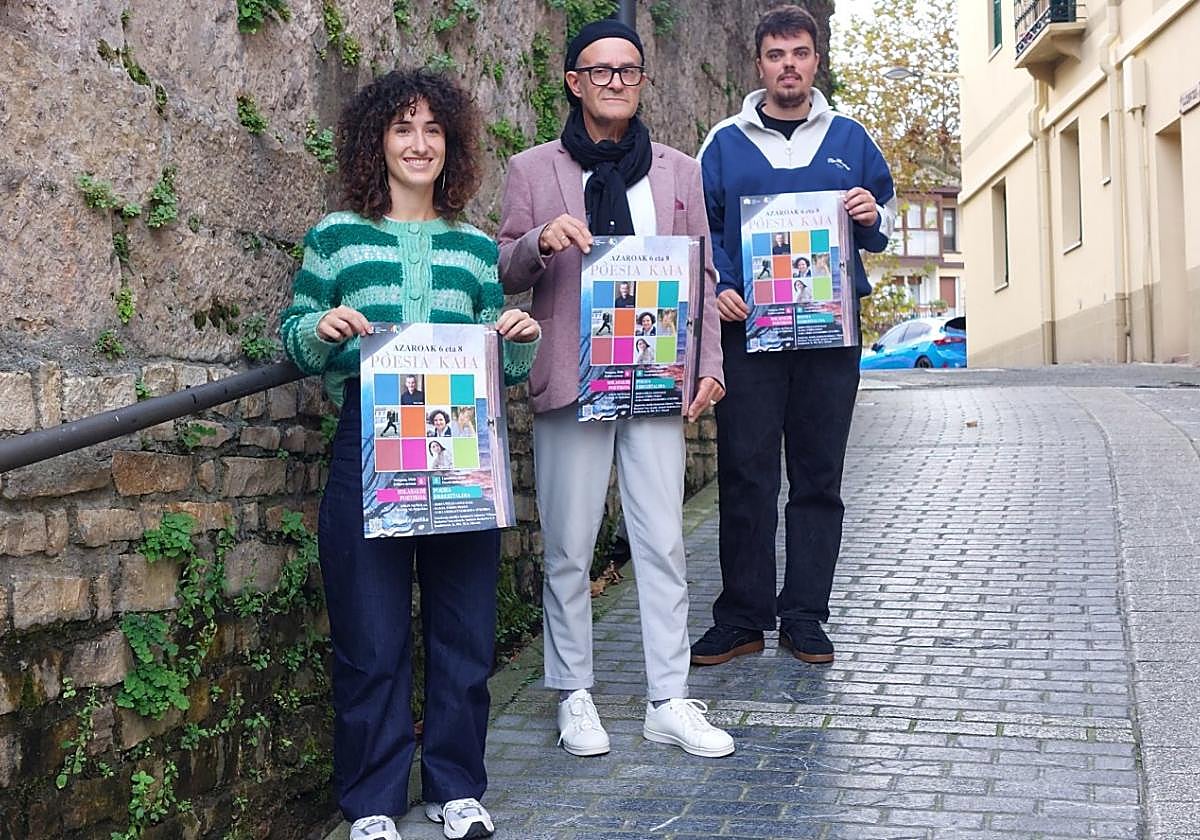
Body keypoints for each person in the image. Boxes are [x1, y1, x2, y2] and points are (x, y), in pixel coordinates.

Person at [279, 68, 540, 840]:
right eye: (402, 128)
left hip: (463, 445)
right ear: (377, 142)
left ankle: (457, 788)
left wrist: (517, 341)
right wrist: (318, 330)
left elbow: (502, 355)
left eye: (433, 130)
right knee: (371, 633)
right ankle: (371, 802)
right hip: (370, 442)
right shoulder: (335, 235)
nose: (419, 143)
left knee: (463, 629)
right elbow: (295, 331)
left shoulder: (470, 245)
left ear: (450, 144)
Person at [498, 19, 732, 760]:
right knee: (569, 544)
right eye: (599, 72)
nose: (615, 83)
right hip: (571, 377)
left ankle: (669, 697)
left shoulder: (679, 171)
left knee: (662, 541)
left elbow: (703, 276)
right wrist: (540, 243)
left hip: (657, 376)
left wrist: (711, 363)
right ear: (573, 82)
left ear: (641, 81)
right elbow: (501, 266)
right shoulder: (532, 170)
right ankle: (574, 693)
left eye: (628, 71)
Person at [692, 5, 896, 668]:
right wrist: (718, 280)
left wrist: (869, 214)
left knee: (818, 476)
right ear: (760, 64)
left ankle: (805, 614)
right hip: (748, 334)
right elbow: (700, 231)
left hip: (830, 337)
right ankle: (743, 617)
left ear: (815, 61)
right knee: (745, 473)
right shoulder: (723, 142)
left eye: (800, 54)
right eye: (777, 55)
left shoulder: (852, 138)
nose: (789, 66)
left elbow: (885, 223)